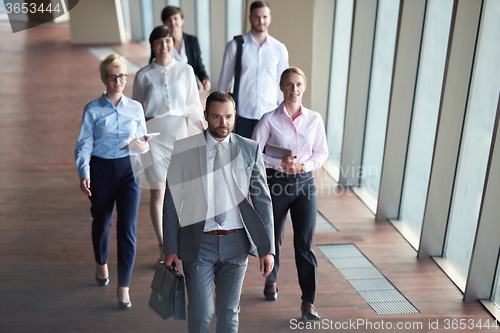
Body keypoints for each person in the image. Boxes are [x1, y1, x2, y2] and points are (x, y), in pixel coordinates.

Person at [163, 91, 275, 333]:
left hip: (237, 244)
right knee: (201, 313)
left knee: (228, 313)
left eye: (228, 117)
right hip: (198, 242)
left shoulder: (250, 149)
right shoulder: (184, 149)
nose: (223, 123)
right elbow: (171, 200)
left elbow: (263, 201)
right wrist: (170, 247)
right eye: (216, 117)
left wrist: (268, 249)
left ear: (235, 116)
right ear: (205, 116)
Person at [252, 67, 328, 320]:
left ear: (303, 87)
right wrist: (279, 164)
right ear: (281, 88)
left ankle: (308, 302)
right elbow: (254, 152)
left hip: (305, 185)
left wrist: (303, 165)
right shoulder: (269, 119)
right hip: (276, 184)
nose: (294, 90)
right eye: (288, 85)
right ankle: (270, 280)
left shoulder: (315, 119)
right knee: (274, 237)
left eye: (298, 85)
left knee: (304, 244)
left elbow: (322, 153)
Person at [75, 54, 150, 309]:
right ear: (103, 78)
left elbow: (143, 143)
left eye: (121, 76)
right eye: (112, 76)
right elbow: (84, 145)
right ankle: (101, 261)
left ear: (126, 78)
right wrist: (84, 172)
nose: (117, 81)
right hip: (101, 170)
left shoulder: (136, 108)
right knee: (102, 224)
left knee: (127, 229)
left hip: (129, 170)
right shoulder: (92, 110)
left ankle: (124, 286)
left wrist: (142, 145)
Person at [133, 25, 205, 261]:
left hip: (179, 136)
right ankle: (164, 244)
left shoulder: (185, 70)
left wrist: (204, 125)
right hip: (153, 138)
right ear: (152, 47)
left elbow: (193, 105)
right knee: (158, 193)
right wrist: (137, 140)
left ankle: (182, 239)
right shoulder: (143, 75)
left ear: (173, 43)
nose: (164, 46)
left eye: (168, 41)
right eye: (159, 42)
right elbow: (136, 111)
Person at [218, 1, 289, 139]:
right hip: (242, 116)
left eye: (264, 17)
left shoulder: (279, 49)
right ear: (250, 18)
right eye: (257, 17)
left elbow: (284, 84)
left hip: (270, 117)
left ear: (270, 18)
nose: (261, 21)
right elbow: (224, 81)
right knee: (241, 158)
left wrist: (286, 115)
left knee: (267, 160)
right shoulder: (235, 46)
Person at [149, 6, 211, 91]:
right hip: (167, 86)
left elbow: (198, 64)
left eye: (175, 18)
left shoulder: (192, 41)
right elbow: (153, 64)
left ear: (182, 20)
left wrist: (204, 78)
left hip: (189, 85)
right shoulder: (161, 44)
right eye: (169, 20)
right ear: (164, 23)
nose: (172, 22)